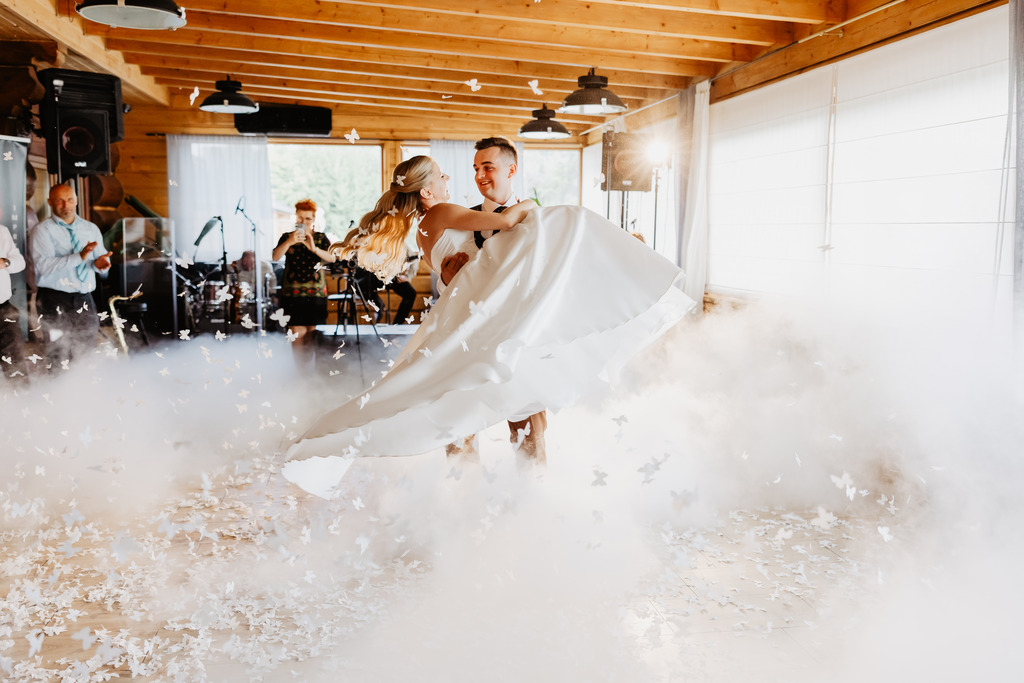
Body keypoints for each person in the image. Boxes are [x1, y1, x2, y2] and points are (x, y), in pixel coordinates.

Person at [281, 156, 695, 499]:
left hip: (466, 315)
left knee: (459, 407)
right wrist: (530, 205)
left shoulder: (424, 228)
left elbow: (456, 269)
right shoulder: (441, 212)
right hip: (478, 316)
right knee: (569, 219)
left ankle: (468, 497)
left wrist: (453, 273)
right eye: (441, 176)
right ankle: (524, 490)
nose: (448, 179)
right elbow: (509, 222)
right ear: (426, 191)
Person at [439, 136, 549, 462]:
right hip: (468, 338)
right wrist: (446, 280)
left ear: (511, 170)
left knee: (529, 434)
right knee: (459, 428)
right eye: (476, 168)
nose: (479, 175)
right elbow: (445, 283)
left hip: (519, 337)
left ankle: (532, 490)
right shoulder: (460, 221)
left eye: (488, 167)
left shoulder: (539, 220)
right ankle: (462, 491)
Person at [29, 182, 112, 368]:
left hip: (84, 298)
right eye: (60, 201)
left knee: (86, 349)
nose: (65, 205)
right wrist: (79, 257)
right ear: (50, 202)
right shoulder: (42, 230)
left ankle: (83, 385)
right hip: (54, 299)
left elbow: (100, 261)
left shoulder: (91, 229)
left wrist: (101, 265)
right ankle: (60, 387)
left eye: (69, 200)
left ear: (76, 201)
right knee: (58, 353)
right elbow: (43, 266)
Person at [271, 199, 336, 364]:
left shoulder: (320, 238)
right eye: (300, 217)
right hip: (292, 294)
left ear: (313, 219)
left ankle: (311, 372)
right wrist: (290, 242)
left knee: (312, 332)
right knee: (296, 331)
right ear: (296, 217)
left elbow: (332, 258)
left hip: (316, 294)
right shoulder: (287, 237)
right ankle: (300, 372)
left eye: (308, 218)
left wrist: (314, 249)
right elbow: (275, 257)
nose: (304, 221)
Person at [341, 226, 419, 325]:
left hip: (391, 276)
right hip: (372, 276)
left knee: (411, 293)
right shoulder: (367, 239)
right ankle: (378, 303)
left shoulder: (397, 241)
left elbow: (414, 258)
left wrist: (408, 276)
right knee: (355, 285)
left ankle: (397, 324)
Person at [0, 211, 28, 383]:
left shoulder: (2, 231)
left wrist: (5, 262)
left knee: (16, 365)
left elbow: (20, 262)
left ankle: (24, 398)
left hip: (4, 309)